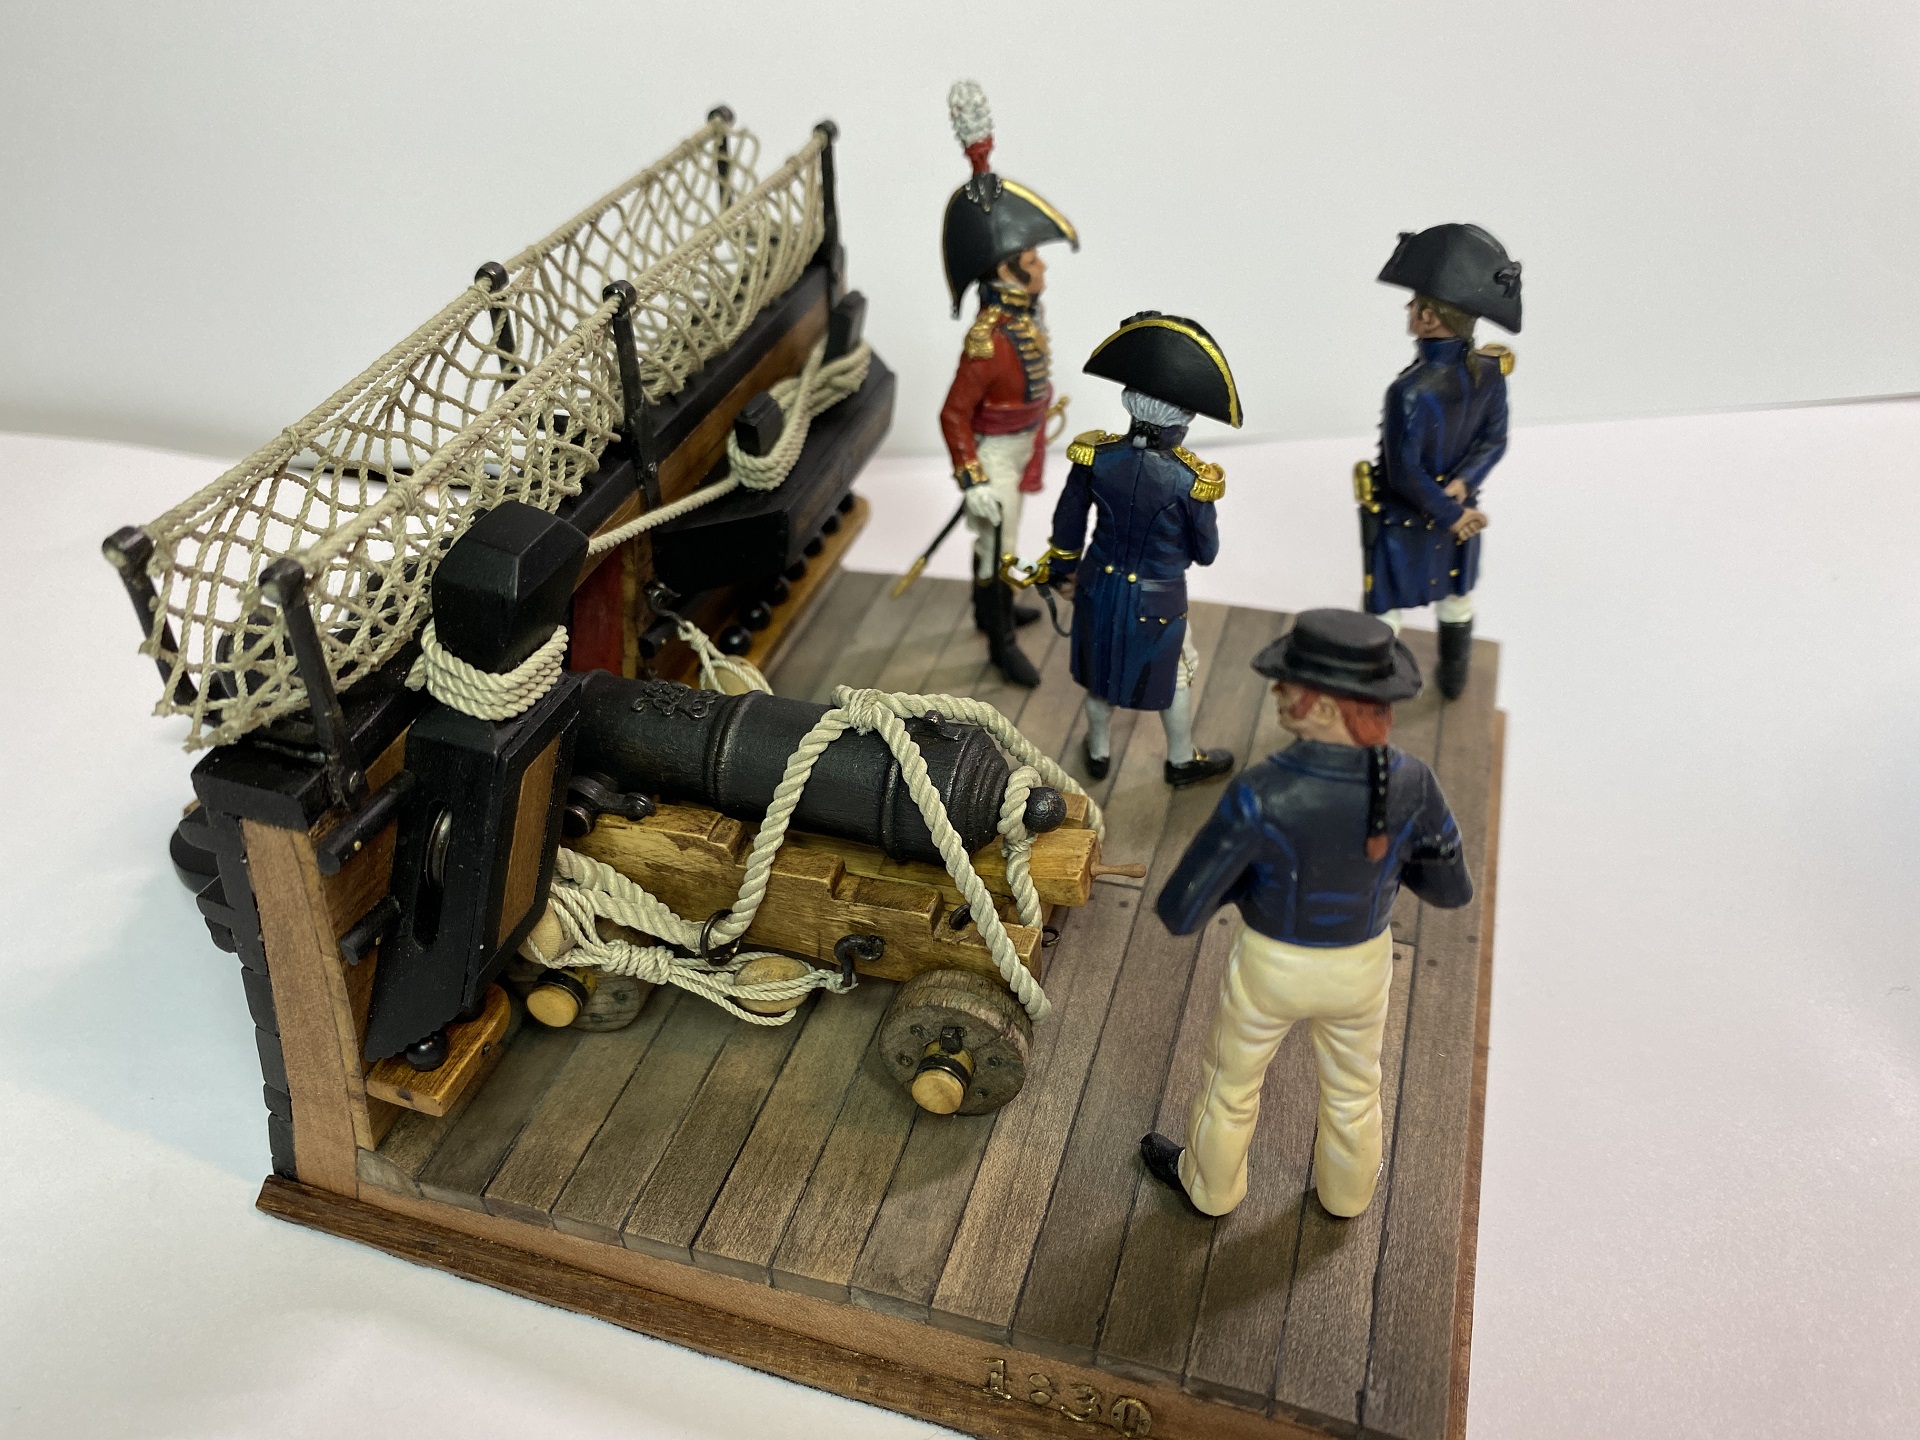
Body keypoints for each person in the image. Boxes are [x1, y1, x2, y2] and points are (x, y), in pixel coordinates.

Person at [1140, 610, 1472, 1218]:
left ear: (1323, 707)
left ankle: (1211, 1192)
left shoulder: (1262, 790)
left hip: (1272, 964)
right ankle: (1347, 1197)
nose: (1275, 690)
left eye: (1289, 683)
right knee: (1355, 1089)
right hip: (1362, 965)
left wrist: (1247, 884)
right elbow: (1450, 890)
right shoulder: (1413, 782)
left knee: (1230, 1084)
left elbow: (1183, 909)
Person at [1041, 312, 1244, 786]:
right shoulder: (1192, 481)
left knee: (1099, 670)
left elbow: (1067, 525)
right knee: (1177, 672)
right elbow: (1207, 552)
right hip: (1157, 598)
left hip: (1098, 584)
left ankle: (1098, 751)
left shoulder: (1095, 456)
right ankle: (1180, 760)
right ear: (1183, 420)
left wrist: (1062, 569)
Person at [937, 79, 1078, 687]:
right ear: (1006, 267)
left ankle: (985, 611)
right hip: (994, 452)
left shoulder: (1023, 316)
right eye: (1033, 257)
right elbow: (953, 414)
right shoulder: (989, 339)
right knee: (1000, 546)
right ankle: (999, 642)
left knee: (997, 542)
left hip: (1023, 441)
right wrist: (971, 478)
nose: (1041, 265)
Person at [1361, 222, 1522, 698]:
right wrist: (1461, 489)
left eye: (1415, 303)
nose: (1409, 309)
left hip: (1406, 518)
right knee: (1456, 598)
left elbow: (1403, 474)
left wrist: (1452, 512)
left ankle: (1375, 696)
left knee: (1384, 611)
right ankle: (1453, 683)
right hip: (1459, 511)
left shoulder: (1408, 391)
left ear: (1429, 319)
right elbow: (1494, 441)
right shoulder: (1491, 372)